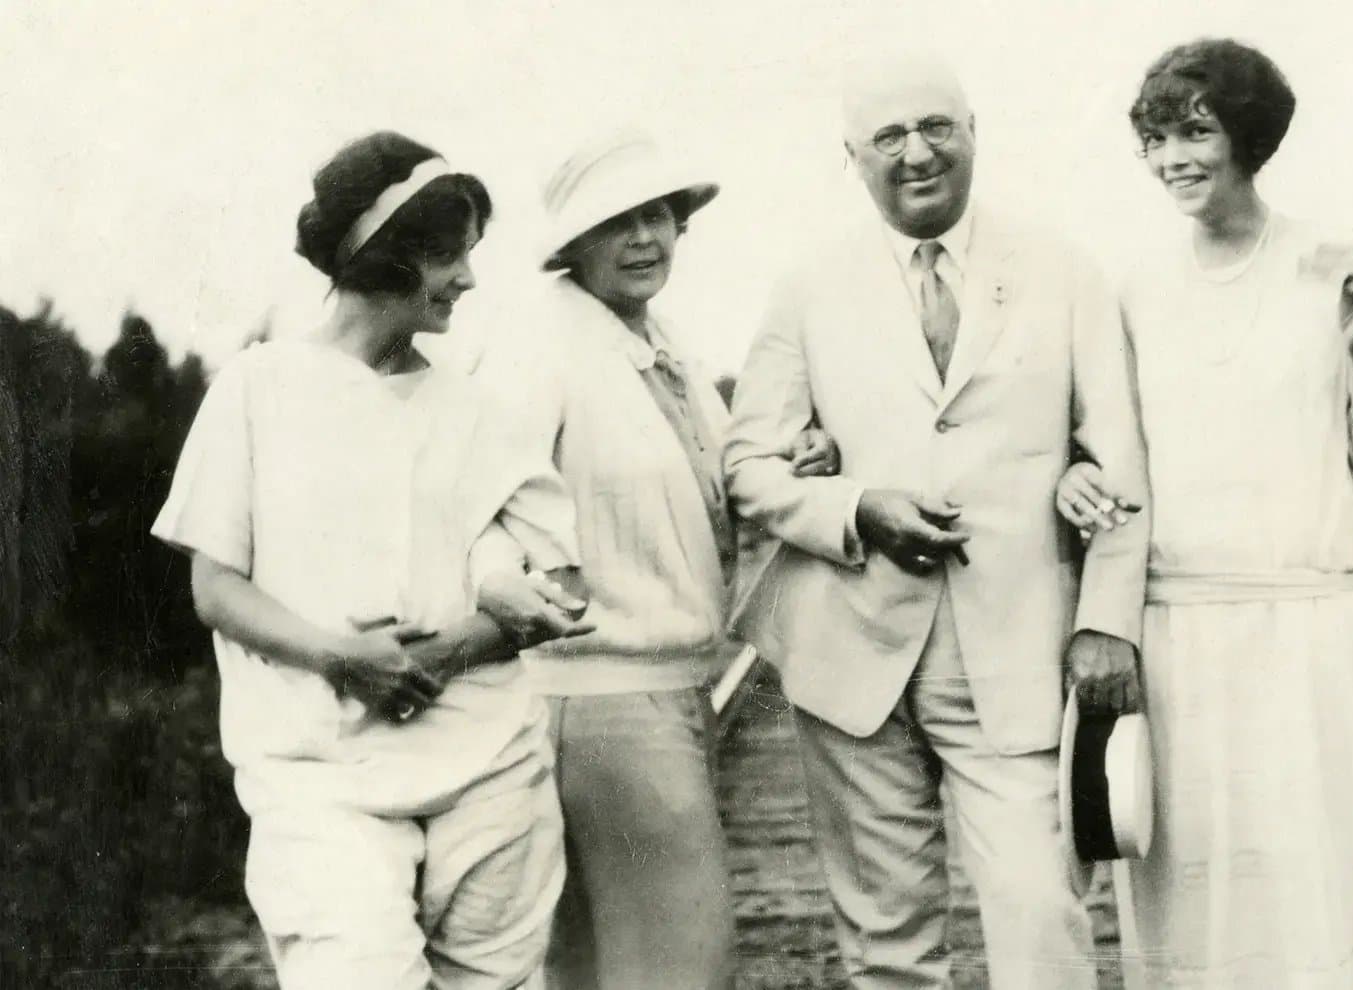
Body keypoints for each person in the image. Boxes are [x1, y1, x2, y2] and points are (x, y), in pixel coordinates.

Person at [723, 51, 1150, 989]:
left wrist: (1105, 620)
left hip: (1020, 651)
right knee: (885, 940)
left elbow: (1121, 459)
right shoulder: (809, 288)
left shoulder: (1062, 271)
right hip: (852, 657)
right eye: (888, 138)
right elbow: (747, 466)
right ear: (853, 157)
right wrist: (854, 507)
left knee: (1042, 912)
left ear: (971, 134)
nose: (915, 153)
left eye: (935, 129)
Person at [1055, 39, 1353, 988]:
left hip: (1308, 641)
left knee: (1316, 898)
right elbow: (1103, 451)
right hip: (1180, 635)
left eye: (1197, 131)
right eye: (1155, 138)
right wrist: (1069, 479)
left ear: (1250, 136)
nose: (1174, 158)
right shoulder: (1134, 290)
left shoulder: (1336, 272)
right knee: (1195, 901)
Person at [152, 132, 595, 989]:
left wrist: (444, 652)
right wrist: (342, 657)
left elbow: (562, 588)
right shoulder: (258, 388)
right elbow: (215, 588)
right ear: (380, 254)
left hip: (490, 771)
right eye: (446, 255)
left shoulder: (479, 411)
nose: (467, 279)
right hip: (319, 775)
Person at [471, 130, 835, 990]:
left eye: (659, 216)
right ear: (573, 244)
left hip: (666, 689)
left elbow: (718, 492)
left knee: (601, 967)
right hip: (597, 698)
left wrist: (798, 463)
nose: (645, 238)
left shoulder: (658, 344)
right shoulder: (542, 343)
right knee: (680, 964)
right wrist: (501, 588)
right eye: (617, 222)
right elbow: (478, 502)